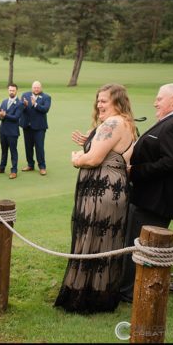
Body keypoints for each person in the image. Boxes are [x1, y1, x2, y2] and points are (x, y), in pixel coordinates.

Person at [54, 83, 137, 313]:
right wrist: (89, 143)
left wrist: (77, 157)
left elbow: (93, 160)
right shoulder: (128, 123)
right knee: (104, 243)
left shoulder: (112, 123)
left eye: (104, 100)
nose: (99, 104)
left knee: (92, 241)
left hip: (101, 193)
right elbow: (118, 157)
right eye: (98, 100)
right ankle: (101, 296)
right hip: (115, 191)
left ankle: (83, 297)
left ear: (117, 102)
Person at [119, 83, 173, 299]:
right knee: (133, 244)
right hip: (146, 197)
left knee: (139, 247)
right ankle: (128, 289)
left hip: (155, 200)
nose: (155, 102)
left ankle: (129, 293)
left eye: (159, 98)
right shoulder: (170, 121)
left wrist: (135, 171)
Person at [0, 84, 24, 179]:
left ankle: (14, 171)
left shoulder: (20, 103)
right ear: (8, 91)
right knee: (4, 151)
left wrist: (4, 115)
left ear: (16, 91)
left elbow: (16, 117)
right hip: (3, 130)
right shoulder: (4, 101)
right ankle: (1, 168)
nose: (11, 92)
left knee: (13, 151)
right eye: (10, 90)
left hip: (13, 132)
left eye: (13, 90)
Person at [20, 81, 51, 175]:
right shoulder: (25, 95)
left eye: (38, 87)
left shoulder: (46, 97)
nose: (36, 89)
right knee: (28, 146)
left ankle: (42, 166)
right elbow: (20, 109)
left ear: (41, 88)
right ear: (32, 87)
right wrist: (24, 105)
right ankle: (30, 165)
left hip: (39, 127)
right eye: (34, 87)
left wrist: (35, 104)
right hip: (27, 126)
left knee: (39, 147)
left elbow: (45, 109)